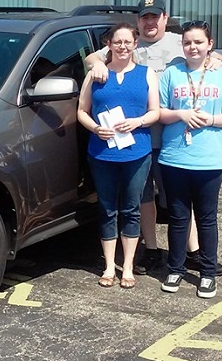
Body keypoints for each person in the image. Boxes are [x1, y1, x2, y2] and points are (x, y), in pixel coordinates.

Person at [85, 0, 222, 276]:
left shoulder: (177, 42)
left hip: (172, 138)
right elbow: (93, 56)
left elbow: (206, 53)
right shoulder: (126, 44)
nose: (150, 22)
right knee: (143, 198)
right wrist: (95, 64)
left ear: (165, 18)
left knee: (179, 201)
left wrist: (217, 59)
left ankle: (193, 251)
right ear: (138, 23)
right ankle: (150, 249)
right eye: (145, 17)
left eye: (155, 16)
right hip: (136, 141)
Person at [158, 20, 222, 298]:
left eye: (198, 42)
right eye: (187, 42)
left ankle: (207, 273)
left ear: (209, 45)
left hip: (208, 159)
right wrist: (181, 114)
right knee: (178, 217)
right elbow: (159, 111)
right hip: (174, 158)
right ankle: (176, 268)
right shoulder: (172, 72)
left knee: (207, 218)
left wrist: (213, 119)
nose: (192, 47)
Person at [78, 22, 160, 289]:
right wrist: (95, 128)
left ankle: (128, 267)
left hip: (136, 153)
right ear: (109, 45)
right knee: (107, 209)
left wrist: (137, 122)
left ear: (135, 44)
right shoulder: (96, 74)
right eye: (118, 42)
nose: (123, 47)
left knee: (131, 209)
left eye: (128, 42)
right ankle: (109, 267)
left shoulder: (147, 74)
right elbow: (82, 111)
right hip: (102, 153)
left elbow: (155, 112)